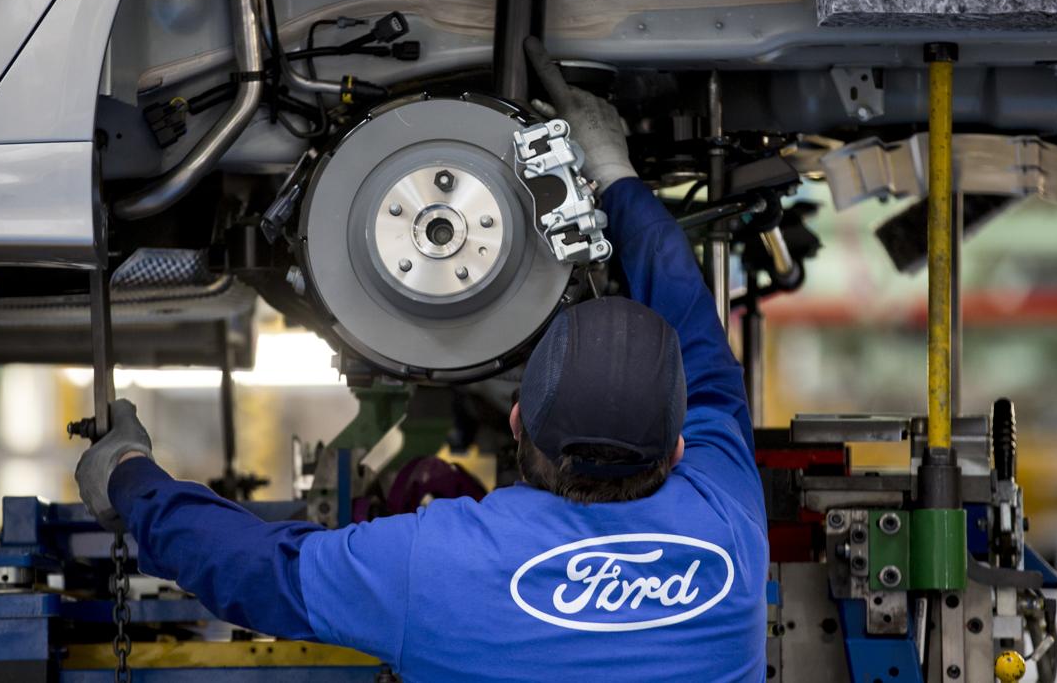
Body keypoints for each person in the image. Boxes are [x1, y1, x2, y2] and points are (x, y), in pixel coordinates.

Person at [74, 37, 768, 682]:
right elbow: (704, 355)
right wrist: (132, 485)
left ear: (519, 422)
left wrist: (130, 481)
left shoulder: (439, 569)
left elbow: (255, 570)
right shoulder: (727, 531)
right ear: (679, 450)